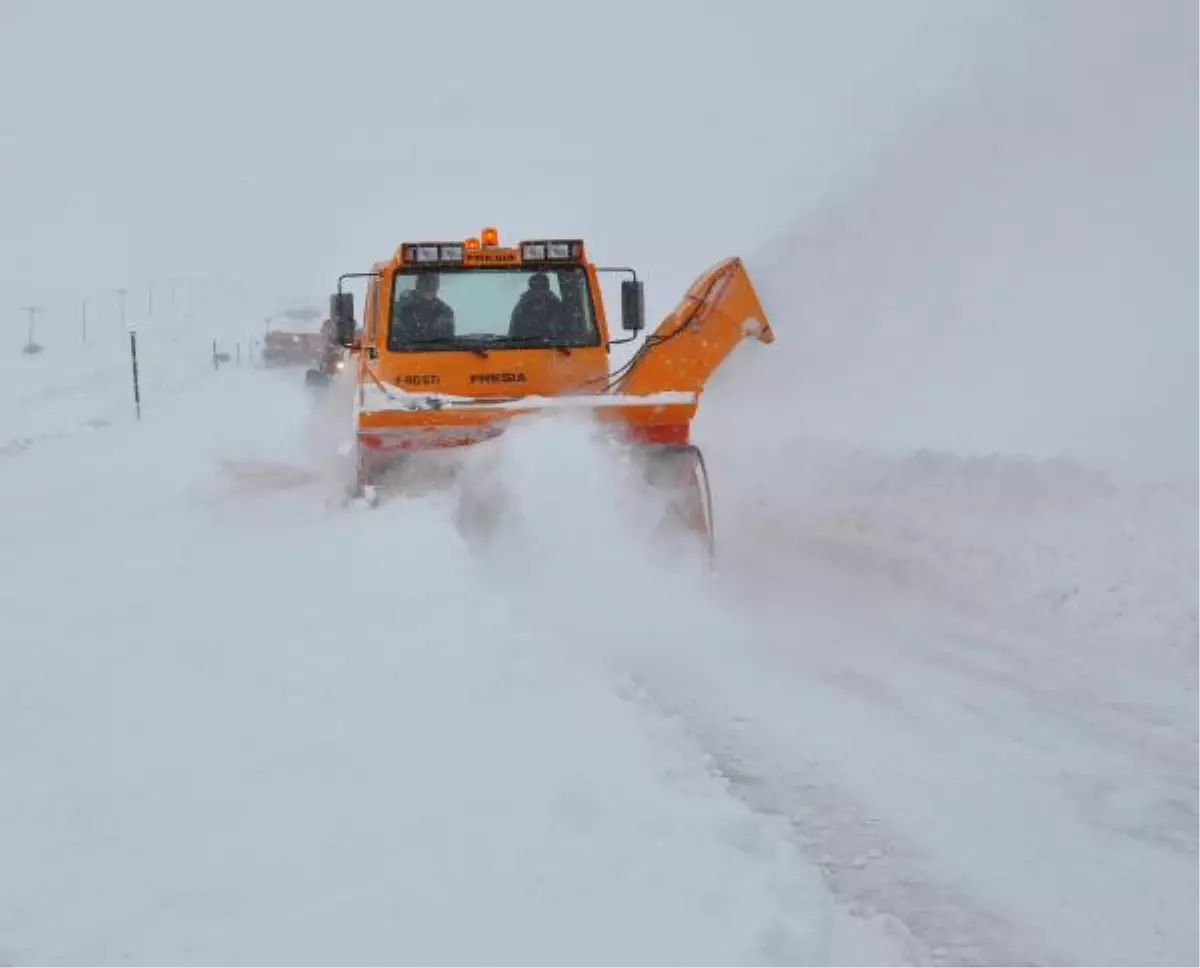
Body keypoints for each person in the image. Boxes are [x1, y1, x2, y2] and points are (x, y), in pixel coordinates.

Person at [395, 273, 455, 342]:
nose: (430, 285)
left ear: (438, 284)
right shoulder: (398, 310)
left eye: (434, 280)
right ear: (417, 283)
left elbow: (448, 345)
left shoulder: (446, 313)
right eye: (426, 280)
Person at [509, 272, 565, 341]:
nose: (538, 292)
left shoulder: (556, 306)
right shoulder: (522, 309)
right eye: (535, 287)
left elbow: (563, 334)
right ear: (531, 288)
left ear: (547, 289)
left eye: (542, 287)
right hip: (526, 348)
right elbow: (513, 336)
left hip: (553, 348)